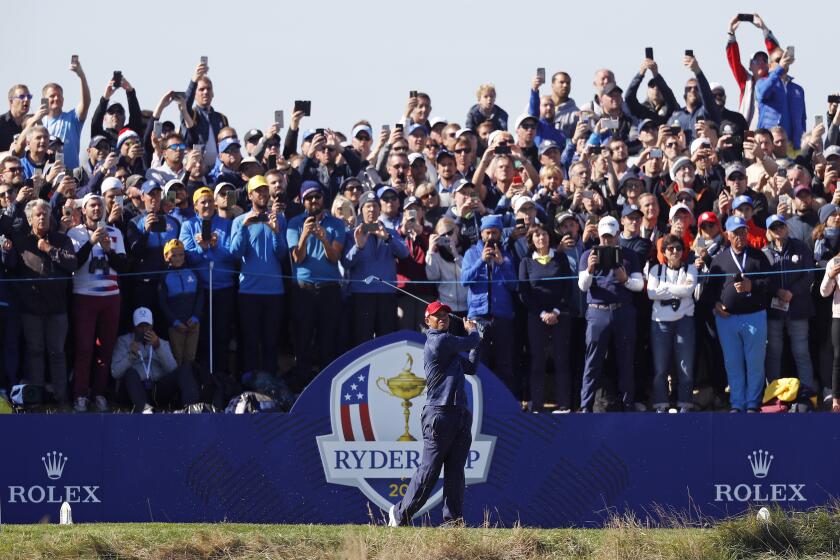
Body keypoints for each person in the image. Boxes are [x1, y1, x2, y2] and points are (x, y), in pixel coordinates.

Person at [389, 301, 480, 527]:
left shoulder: (449, 348)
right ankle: (399, 514)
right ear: (427, 320)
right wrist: (475, 331)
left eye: (446, 315)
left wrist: (477, 340)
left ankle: (453, 522)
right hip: (439, 414)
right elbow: (471, 340)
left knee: (455, 471)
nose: (443, 318)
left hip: (458, 413)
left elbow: (471, 367)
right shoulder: (438, 341)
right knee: (429, 471)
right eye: (437, 315)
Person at [5, 199, 77, 406]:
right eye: (38, 214)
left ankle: (61, 398)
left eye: (45, 214)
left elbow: (72, 263)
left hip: (58, 309)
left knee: (57, 353)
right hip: (30, 309)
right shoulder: (20, 241)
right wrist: (7, 250)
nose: (42, 217)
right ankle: (35, 399)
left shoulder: (61, 239)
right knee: (34, 352)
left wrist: (48, 249)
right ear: (29, 219)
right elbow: (10, 266)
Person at [67, 193, 128, 412]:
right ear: (83, 210)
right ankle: (80, 394)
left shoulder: (114, 232)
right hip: (84, 296)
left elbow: (123, 265)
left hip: (111, 297)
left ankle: (100, 392)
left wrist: (108, 249)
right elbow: (73, 263)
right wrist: (91, 243)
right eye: (91, 206)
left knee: (106, 349)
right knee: (84, 348)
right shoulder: (75, 233)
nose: (96, 209)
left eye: (99, 206)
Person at [577, 216, 644, 412]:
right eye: (603, 236)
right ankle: (585, 406)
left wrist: (625, 280)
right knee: (592, 361)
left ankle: (627, 404)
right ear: (598, 235)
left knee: (626, 359)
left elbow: (639, 285)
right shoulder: (588, 254)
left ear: (617, 235)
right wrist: (589, 269)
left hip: (623, 310)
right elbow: (582, 286)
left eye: (611, 236)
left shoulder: (629, 255)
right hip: (597, 312)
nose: (607, 241)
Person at [708, 216, 772, 412]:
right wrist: (715, 305)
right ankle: (737, 403)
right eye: (736, 233)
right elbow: (709, 291)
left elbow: (771, 283)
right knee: (733, 363)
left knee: (754, 363)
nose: (740, 236)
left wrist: (752, 284)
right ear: (728, 235)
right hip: (727, 319)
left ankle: (753, 402)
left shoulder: (758, 256)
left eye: (743, 231)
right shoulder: (719, 260)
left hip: (754, 316)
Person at [287, 181, 346, 384]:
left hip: (329, 291)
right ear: (303, 201)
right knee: (302, 341)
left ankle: (326, 385)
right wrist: (304, 234)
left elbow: (334, 257)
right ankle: (302, 385)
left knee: (327, 341)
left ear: (323, 198)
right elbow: (298, 257)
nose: (314, 201)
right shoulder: (294, 223)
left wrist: (323, 239)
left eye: (317, 196)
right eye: (309, 198)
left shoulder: (336, 224)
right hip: (303, 291)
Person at [229, 175, 288, 376]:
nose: (263, 194)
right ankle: (250, 385)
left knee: (271, 342)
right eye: (258, 191)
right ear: (250, 195)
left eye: (265, 190)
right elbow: (236, 253)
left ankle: (270, 384)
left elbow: (281, 254)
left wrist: (275, 231)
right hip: (248, 291)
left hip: (274, 292)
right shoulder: (239, 220)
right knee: (250, 342)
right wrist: (244, 228)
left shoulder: (278, 218)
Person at [519, 224, 574, 413]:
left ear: (549, 237)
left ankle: (564, 405)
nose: (540, 238)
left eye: (543, 234)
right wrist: (542, 314)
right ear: (531, 240)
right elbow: (524, 293)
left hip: (560, 316)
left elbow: (568, 287)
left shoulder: (560, 258)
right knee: (538, 361)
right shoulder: (526, 261)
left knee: (562, 360)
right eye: (536, 235)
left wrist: (556, 311)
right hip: (536, 318)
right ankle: (537, 405)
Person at [342, 190, 409, 344]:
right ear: (361, 210)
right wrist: (358, 246)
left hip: (386, 294)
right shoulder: (353, 234)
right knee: (362, 339)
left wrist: (387, 238)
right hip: (362, 295)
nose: (371, 210)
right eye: (367, 207)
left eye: (374, 206)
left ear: (380, 210)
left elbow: (404, 253)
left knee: (386, 341)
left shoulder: (390, 232)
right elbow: (346, 263)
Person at [462, 214, 517, 394]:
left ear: (500, 234)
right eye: (488, 232)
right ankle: (479, 401)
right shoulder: (471, 253)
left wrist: (501, 264)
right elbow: (464, 280)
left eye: (495, 232)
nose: (491, 236)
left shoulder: (507, 254)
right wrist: (481, 262)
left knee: (505, 362)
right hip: (478, 316)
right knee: (478, 361)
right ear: (481, 234)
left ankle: (505, 402)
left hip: (502, 316)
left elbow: (514, 285)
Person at [111, 307, 201, 414]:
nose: (144, 329)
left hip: (156, 390)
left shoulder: (161, 343)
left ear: (152, 325)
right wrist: (131, 356)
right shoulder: (123, 341)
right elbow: (115, 373)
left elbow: (173, 369)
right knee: (130, 373)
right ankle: (146, 412)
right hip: (133, 393)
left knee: (185, 368)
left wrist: (158, 347)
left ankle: (191, 411)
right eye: (140, 326)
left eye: (147, 326)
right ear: (134, 326)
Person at [762, 215, 815, 389]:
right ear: (769, 231)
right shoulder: (765, 252)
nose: (778, 229)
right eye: (774, 227)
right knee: (774, 353)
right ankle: (773, 393)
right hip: (774, 311)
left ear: (787, 227)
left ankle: (807, 391)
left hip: (798, 308)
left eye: (781, 226)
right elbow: (763, 281)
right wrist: (777, 291)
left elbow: (810, 275)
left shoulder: (800, 247)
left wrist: (792, 292)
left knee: (801, 352)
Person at [646, 235, 698, 412]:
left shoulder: (690, 268)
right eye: (670, 249)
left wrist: (665, 288)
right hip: (660, 323)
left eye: (678, 248)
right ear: (664, 252)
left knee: (685, 366)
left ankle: (685, 403)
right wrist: (677, 291)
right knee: (660, 367)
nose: (675, 251)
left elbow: (689, 290)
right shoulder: (655, 270)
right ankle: (661, 403)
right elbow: (652, 294)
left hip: (685, 322)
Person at [159, 239, 203, 366]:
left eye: (181, 254)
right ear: (166, 257)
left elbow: (200, 296)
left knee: (190, 356)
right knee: (177, 357)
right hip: (176, 326)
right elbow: (162, 303)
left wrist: (196, 317)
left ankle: (190, 382)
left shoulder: (193, 273)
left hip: (193, 323)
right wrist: (175, 322)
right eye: (173, 255)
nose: (178, 258)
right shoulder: (164, 276)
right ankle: (177, 384)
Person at [42, 57, 91, 169]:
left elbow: (86, 102)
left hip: (70, 173)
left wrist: (81, 76)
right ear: (44, 100)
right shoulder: (39, 123)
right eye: (52, 96)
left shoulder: (72, 118)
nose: (56, 98)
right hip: (48, 176)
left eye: (59, 96)